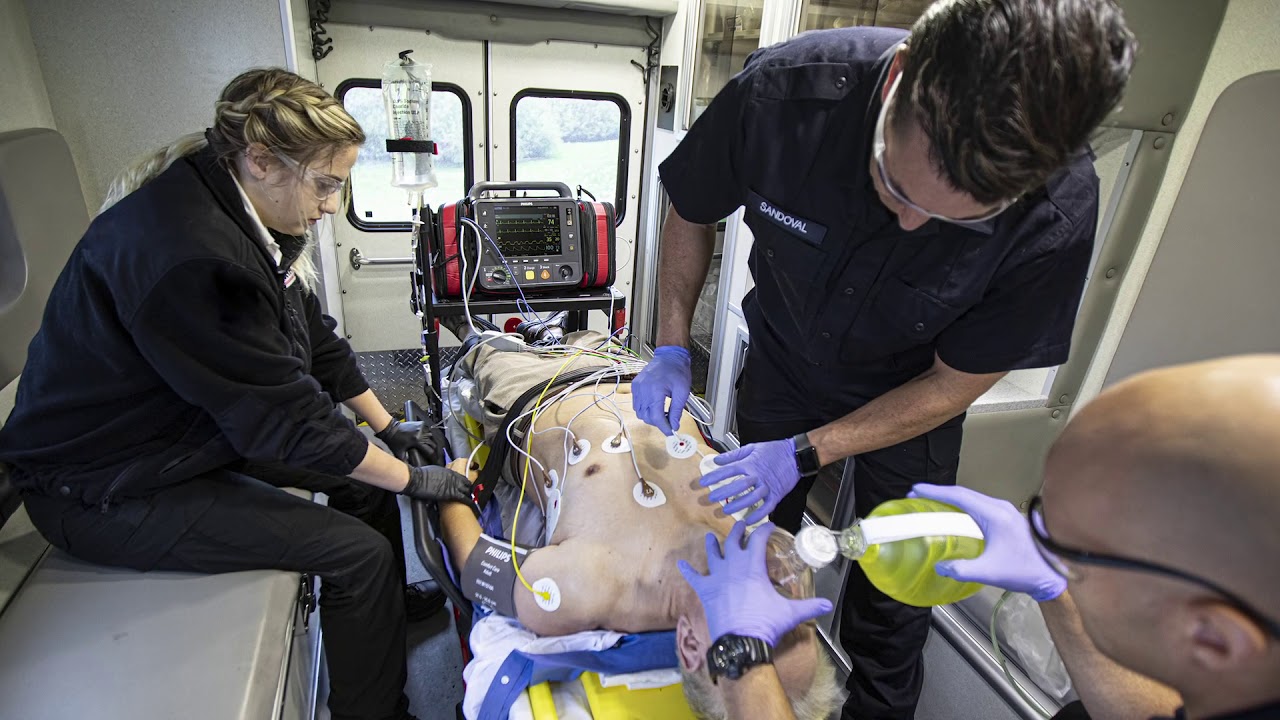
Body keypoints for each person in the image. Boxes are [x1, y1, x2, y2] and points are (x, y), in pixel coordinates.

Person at [632, 1, 1137, 716]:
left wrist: (811, 451)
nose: (908, 223)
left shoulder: (1054, 213)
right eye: (895, 186)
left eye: (956, 223)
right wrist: (673, 344)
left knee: (894, 608)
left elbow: (955, 383)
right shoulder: (783, 98)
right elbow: (691, 207)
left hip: (914, 393)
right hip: (785, 354)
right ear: (900, 79)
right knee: (749, 540)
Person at [0, 69, 473, 720]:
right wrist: (415, 480)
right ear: (260, 160)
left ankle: (385, 603)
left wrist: (387, 427)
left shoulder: (237, 205)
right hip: (105, 485)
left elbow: (315, 335)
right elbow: (289, 422)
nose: (333, 205)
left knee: (364, 485)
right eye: (327, 184)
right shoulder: (191, 255)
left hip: (178, 431)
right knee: (357, 555)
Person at [686, 355, 1280, 720]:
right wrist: (1057, 591)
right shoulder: (1234, 683)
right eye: (1039, 511)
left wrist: (742, 656)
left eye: (1070, 549)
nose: (1038, 541)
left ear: (1214, 638)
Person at [434, 333, 839, 719]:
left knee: (489, 345)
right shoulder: (770, 550)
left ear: (691, 644)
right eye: (795, 624)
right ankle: (555, 334)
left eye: (758, 630)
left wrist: (454, 483)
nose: (779, 584)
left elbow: (475, 565)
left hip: (536, 394)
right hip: (636, 373)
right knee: (580, 332)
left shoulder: (588, 586)